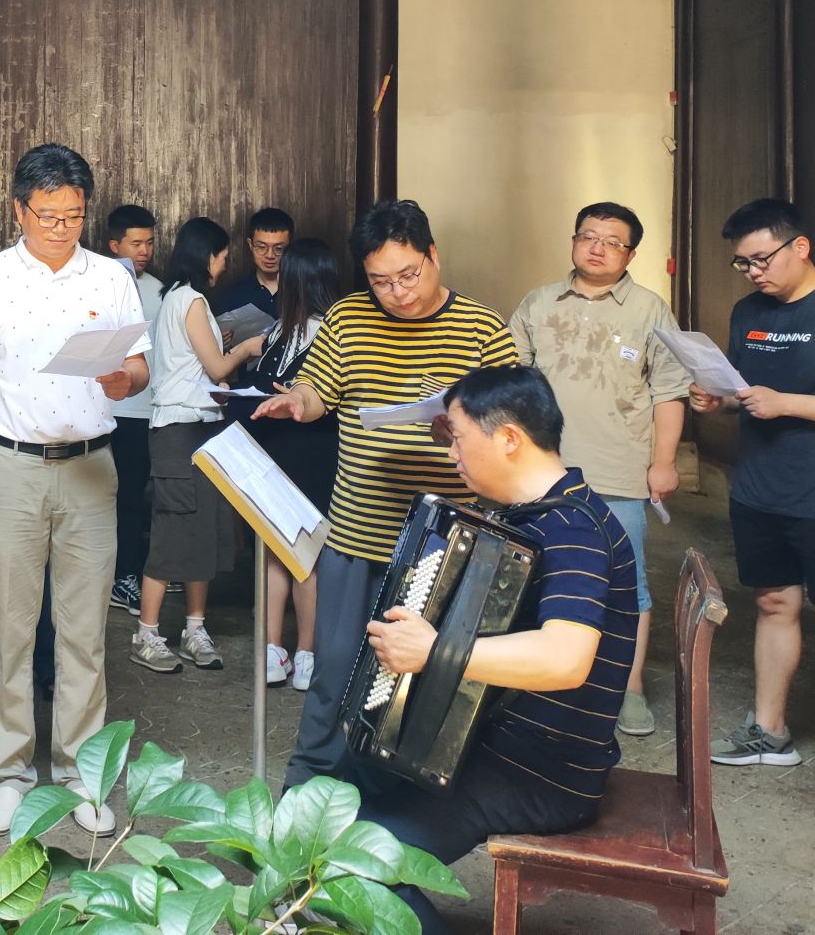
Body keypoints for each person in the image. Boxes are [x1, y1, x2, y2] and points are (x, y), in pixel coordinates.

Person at [355, 366, 638, 935]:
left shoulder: (573, 531)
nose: (452, 454)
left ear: (509, 438)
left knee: (353, 870)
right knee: (349, 783)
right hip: (503, 744)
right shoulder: (546, 512)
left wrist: (435, 651)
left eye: (458, 438)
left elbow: (566, 658)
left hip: (538, 773)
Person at [253, 198, 519, 788]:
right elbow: (317, 389)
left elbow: (512, 422)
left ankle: (401, 798)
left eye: (408, 275)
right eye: (380, 281)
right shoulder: (347, 318)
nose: (396, 293)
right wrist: (298, 402)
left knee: (425, 678)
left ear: (433, 256)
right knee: (335, 670)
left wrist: (467, 429)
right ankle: (310, 786)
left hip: (445, 541)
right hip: (358, 530)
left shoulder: (482, 327)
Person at [0, 143, 151, 837]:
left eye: (74, 215)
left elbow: (138, 367)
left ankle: (80, 777)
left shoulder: (111, 277)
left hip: (93, 467)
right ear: (19, 210)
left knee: (85, 631)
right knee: (10, 627)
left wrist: (126, 379)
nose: (62, 228)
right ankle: (10, 774)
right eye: (48, 216)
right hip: (13, 467)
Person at [691, 198, 815, 815]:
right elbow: (749, 391)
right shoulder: (749, 313)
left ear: (799, 247)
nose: (753, 272)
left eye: (762, 259)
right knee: (773, 605)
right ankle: (769, 731)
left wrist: (788, 403)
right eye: (742, 263)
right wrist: (720, 399)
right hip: (758, 490)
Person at [509, 201, 691, 737]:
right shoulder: (538, 302)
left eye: (612, 242)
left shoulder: (650, 310)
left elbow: (670, 391)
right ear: (573, 241)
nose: (597, 248)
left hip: (618, 470)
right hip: (540, 472)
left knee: (625, 584)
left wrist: (664, 463)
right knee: (536, 575)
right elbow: (510, 380)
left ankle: (628, 688)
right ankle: (537, 681)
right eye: (588, 236)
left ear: (631, 255)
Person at [130, 218, 265, 675]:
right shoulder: (190, 299)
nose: (224, 265)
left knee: (204, 530)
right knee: (173, 531)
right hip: (179, 431)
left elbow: (197, 365)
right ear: (207, 256)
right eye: (222, 256)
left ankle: (194, 629)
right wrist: (247, 347)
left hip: (200, 427)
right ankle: (147, 634)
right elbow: (217, 369)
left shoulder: (176, 297)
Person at [240, 235, 342, 691]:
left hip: (302, 453)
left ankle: (289, 651)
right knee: (290, 555)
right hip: (291, 452)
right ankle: (289, 652)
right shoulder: (290, 329)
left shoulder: (315, 332)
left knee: (292, 555)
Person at [103, 204, 164, 616]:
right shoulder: (97, 284)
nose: (144, 251)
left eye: (150, 243)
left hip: (143, 410)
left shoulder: (160, 290)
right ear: (115, 246)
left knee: (130, 498)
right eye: (136, 243)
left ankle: (126, 575)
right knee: (97, 498)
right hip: (101, 410)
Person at [215, 206, 294, 335]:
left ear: (290, 248)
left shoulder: (302, 292)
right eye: (261, 247)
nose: (270, 255)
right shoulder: (231, 296)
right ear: (250, 245)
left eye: (279, 248)